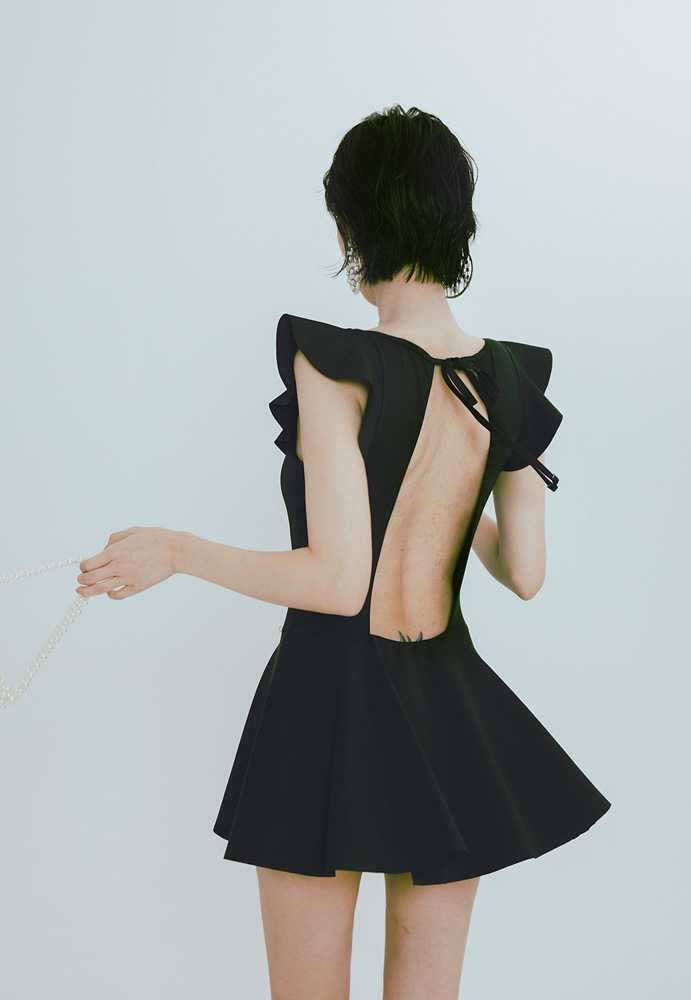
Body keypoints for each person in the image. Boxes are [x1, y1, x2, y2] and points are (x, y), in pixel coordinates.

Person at [76, 105, 610, 1000]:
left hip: (327, 706)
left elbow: (335, 581)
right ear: (458, 222)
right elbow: (525, 573)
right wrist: (462, 486)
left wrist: (177, 549)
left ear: (350, 229)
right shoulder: (513, 377)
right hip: (448, 711)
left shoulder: (332, 361)